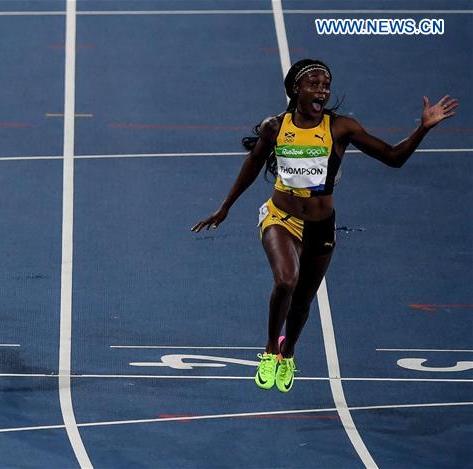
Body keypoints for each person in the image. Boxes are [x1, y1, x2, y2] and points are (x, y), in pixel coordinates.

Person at [191, 59, 458, 392]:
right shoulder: (276, 127)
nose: (322, 91)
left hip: (320, 227)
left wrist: (423, 128)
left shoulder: (341, 128)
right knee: (286, 281)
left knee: (303, 300)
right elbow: (253, 163)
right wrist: (225, 207)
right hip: (280, 218)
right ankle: (270, 350)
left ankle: (288, 353)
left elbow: (393, 157)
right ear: (295, 90)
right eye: (314, 84)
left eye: (325, 85)